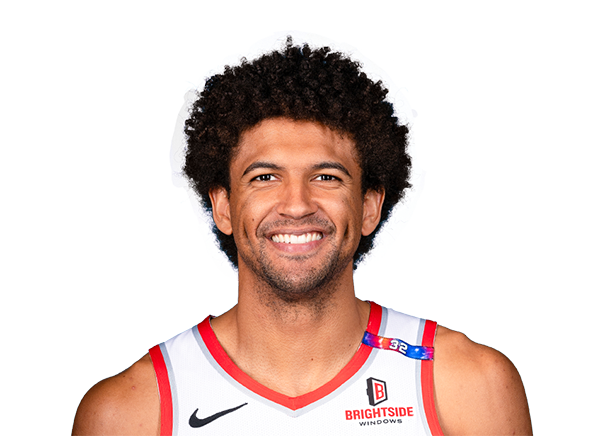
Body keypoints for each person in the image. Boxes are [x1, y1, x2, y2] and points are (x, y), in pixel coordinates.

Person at [72, 32, 532, 436]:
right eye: (264, 177)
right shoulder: (130, 411)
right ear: (223, 207)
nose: (296, 204)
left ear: (369, 207)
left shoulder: (469, 385)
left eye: (327, 177)